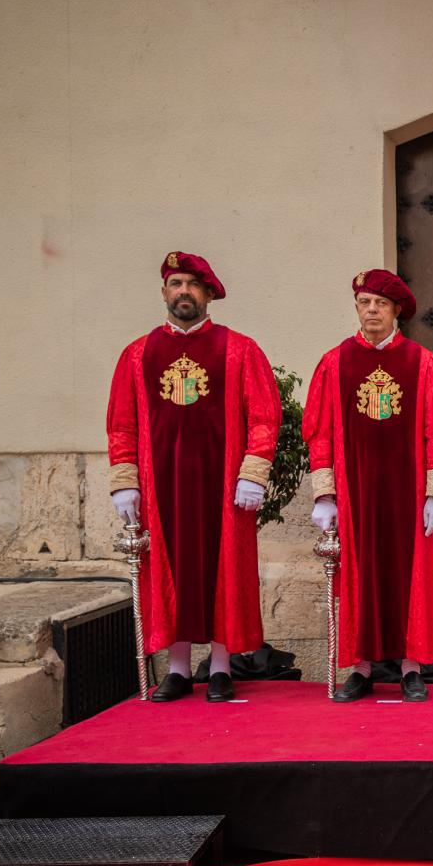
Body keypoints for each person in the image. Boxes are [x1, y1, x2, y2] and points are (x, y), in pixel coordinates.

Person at [105, 251, 280, 702]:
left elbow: (263, 416)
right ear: (164, 292)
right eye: (176, 283)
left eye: (192, 285)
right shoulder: (137, 355)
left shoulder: (239, 349)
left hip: (223, 487)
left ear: (208, 295)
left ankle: (221, 667)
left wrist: (253, 473)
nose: (183, 292)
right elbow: (121, 424)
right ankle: (178, 670)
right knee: (169, 573)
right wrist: (125, 481)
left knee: (223, 571)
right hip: (162, 488)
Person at [303, 269, 433, 702]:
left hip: (406, 493)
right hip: (356, 493)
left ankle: (410, 668)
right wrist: (325, 494)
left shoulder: (421, 363)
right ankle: (361, 668)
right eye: (365, 302)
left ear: (396, 312)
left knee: (410, 577)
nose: (372, 310)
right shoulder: (335, 362)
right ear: (357, 307)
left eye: (381, 304)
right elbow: (320, 433)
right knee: (358, 575)